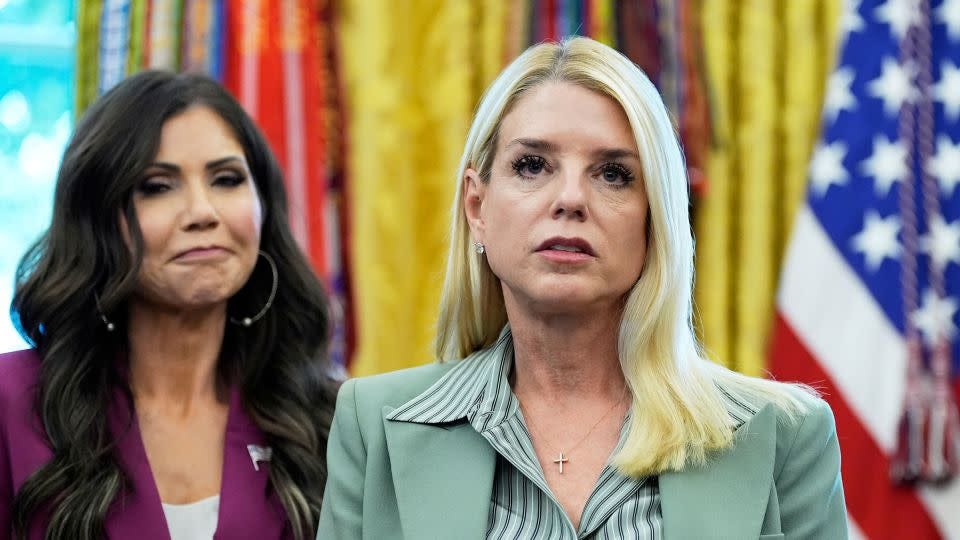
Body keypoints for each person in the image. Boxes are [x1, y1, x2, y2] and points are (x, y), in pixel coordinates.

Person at [317, 36, 847, 539]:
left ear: (655, 219)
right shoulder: (374, 426)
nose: (570, 198)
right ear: (477, 207)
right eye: (532, 165)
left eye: (613, 174)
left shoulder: (785, 436)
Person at [0, 71, 337, 540]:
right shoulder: (10, 401)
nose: (203, 212)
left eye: (226, 179)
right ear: (95, 219)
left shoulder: (327, 419)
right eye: (157, 186)